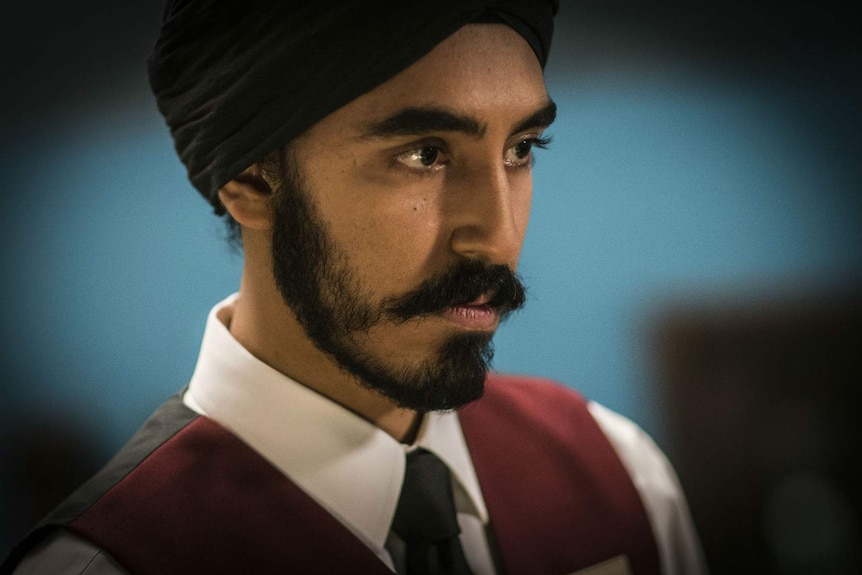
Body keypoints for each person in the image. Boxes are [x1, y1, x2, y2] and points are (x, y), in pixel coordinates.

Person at [2, 2, 707, 574]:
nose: (496, 236)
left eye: (520, 150)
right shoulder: (103, 564)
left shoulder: (622, 473)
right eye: (425, 154)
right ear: (250, 177)